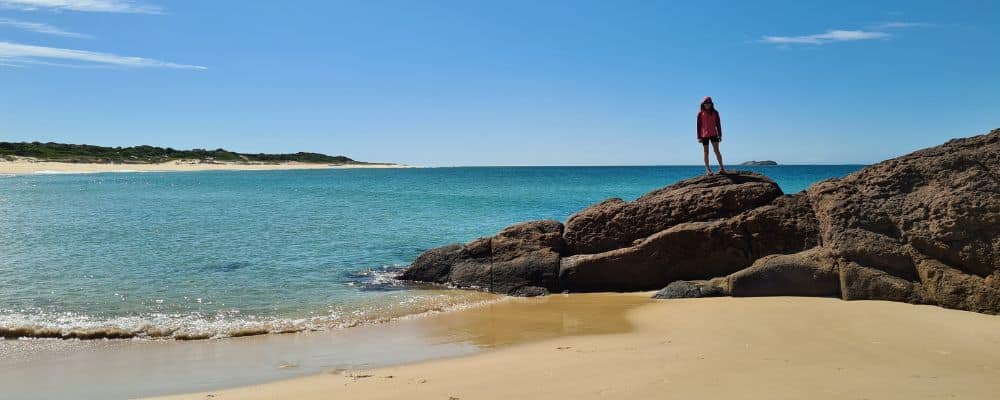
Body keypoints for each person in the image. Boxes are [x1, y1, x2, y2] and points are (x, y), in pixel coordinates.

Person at [697, 96, 725, 174]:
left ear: (711, 104)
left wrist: (720, 135)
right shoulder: (700, 114)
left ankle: (722, 168)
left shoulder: (715, 113)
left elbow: (718, 124)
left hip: (714, 134)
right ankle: (708, 170)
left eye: (708, 103)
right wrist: (699, 137)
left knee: (717, 151)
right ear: (703, 104)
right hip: (704, 135)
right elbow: (698, 126)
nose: (707, 105)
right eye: (706, 103)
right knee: (706, 152)